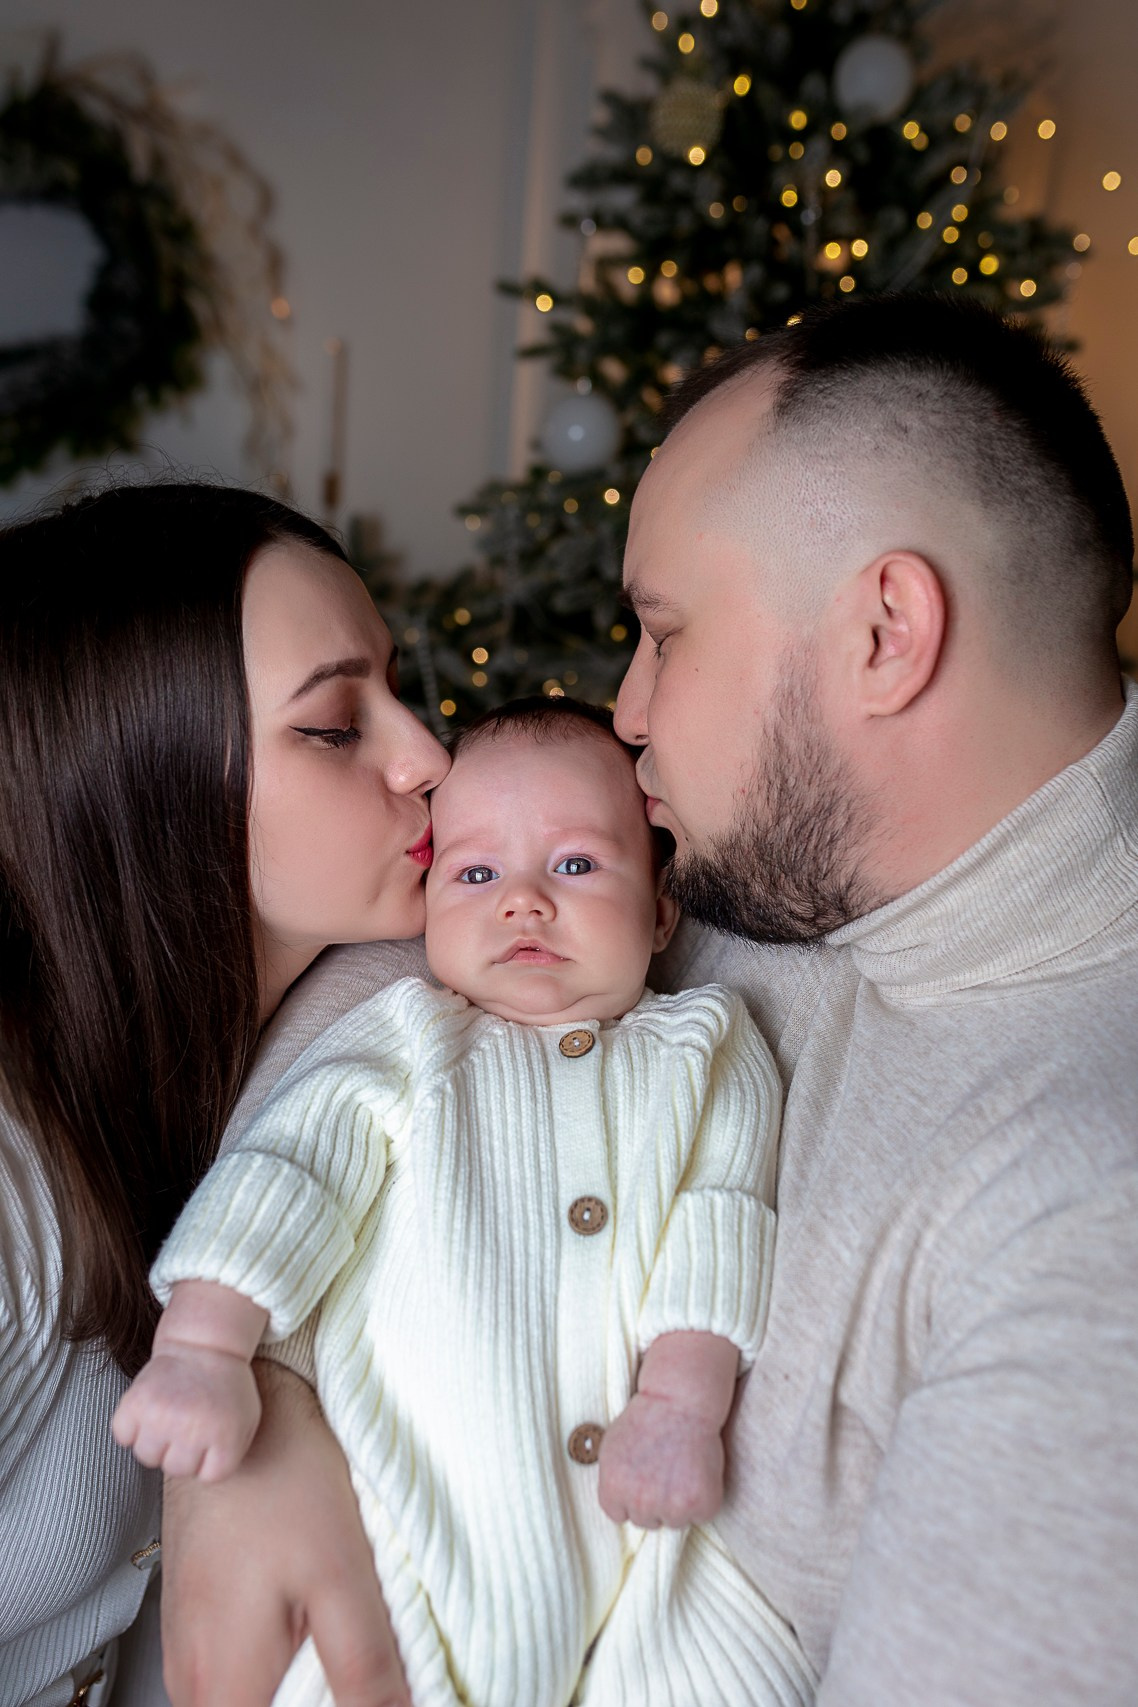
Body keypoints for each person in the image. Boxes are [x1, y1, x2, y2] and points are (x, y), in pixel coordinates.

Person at [164, 293, 1138, 1707]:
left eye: (664, 633)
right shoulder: (789, 854)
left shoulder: (1086, 1213)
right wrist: (263, 1415)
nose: (621, 709)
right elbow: (415, 956)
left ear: (883, 631)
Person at [115, 699, 815, 1707]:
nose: (522, 902)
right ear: (431, 899)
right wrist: (202, 1352)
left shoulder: (710, 1043)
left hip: (643, 1567)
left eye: (574, 865)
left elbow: (722, 1217)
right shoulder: (405, 1038)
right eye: (476, 873)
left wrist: (678, 1405)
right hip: (411, 1518)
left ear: (663, 908)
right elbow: (288, 1175)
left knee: (735, 1670)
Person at [0, 482, 448, 1707]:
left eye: (396, 693)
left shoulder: (222, 1042)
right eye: (335, 727)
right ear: (141, 788)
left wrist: (278, 1387)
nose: (429, 757)